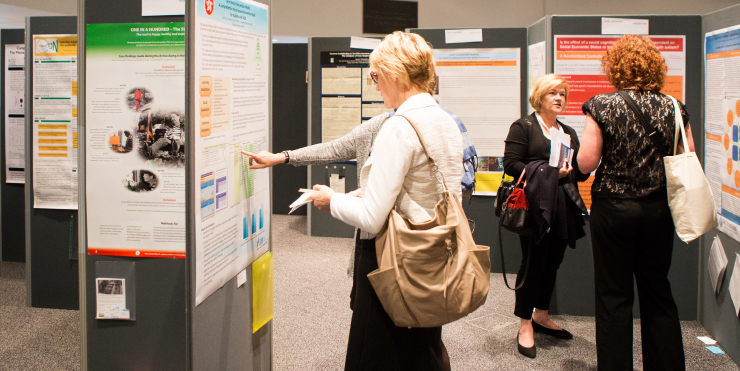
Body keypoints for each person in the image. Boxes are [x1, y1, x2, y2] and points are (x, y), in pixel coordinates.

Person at [307, 31, 461, 370]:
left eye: (376, 75)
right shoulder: (445, 121)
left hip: (390, 258)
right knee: (422, 349)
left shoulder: (400, 126)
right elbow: (430, 191)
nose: (374, 84)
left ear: (396, 73)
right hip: (432, 254)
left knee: (375, 354)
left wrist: (331, 200)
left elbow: (373, 219)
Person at [577, 35, 693, 371]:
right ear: (656, 67)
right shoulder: (674, 107)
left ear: (614, 68)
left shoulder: (601, 105)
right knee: (658, 293)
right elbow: (689, 159)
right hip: (657, 209)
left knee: (613, 297)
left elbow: (586, 162)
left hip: (613, 210)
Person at [502, 74, 589, 359]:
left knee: (553, 262)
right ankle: (525, 323)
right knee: (533, 263)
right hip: (535, 208)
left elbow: (578, 169)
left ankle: (541, 315)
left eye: (562, 93)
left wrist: (586, 162)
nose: (559, 98)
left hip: (562, 206)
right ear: (540, 97)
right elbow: (512, 164)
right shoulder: (524, 126)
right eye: (553, 93)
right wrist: (551, 172)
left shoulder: (567, 131)